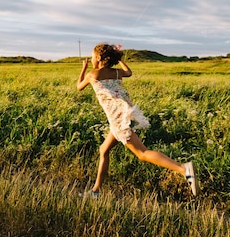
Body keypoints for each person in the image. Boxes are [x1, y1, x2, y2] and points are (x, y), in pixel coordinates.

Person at [77, 42, 198, 197]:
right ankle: (96, 191)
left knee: (142, 153)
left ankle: (183, 169)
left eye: (93, 57)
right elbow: (128, 72)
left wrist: (84, 68)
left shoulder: (92, 75)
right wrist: (118, 58)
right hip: (124, 116)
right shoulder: (116, 73)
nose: (91, 59)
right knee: (103, 150)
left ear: (99, 58)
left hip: (118, 120)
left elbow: (79, 86)